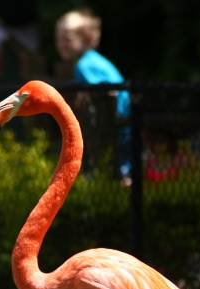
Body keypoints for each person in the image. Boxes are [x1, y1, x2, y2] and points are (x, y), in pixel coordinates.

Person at [55, 8, 131, 183]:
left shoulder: (84, 65)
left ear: (87, 39)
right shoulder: (90, 61)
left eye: (67, 39)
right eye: (58, 39)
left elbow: (101, 96)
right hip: (120, 121)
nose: (60, 44)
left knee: (121, 173)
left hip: (118, 122)